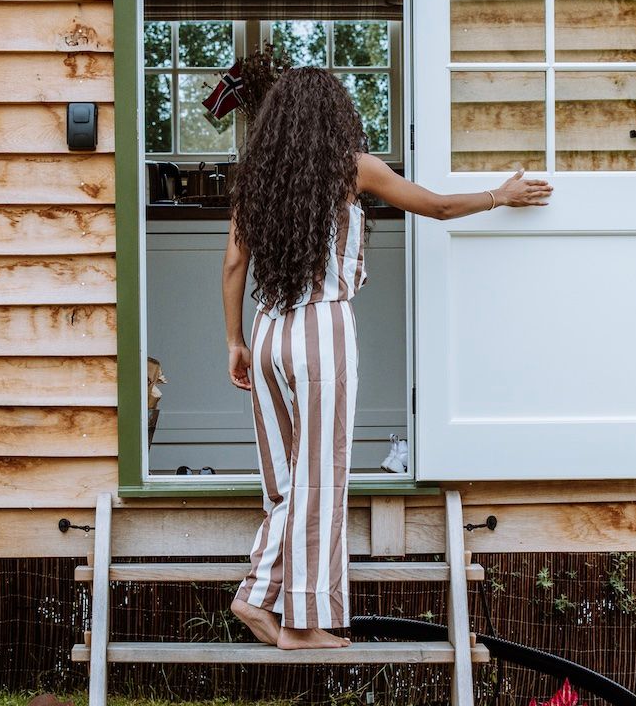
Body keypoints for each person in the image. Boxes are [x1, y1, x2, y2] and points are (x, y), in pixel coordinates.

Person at [221, 67, 550, 649]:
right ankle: (297, 622)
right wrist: (499, 195)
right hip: (321, 328)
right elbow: (437, 207)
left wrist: (235, 341)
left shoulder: (256, 177)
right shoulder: (352, 167)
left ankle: (259, 592)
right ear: (334, 116)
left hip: (267, 328)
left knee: (285, 480)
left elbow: (232, 265)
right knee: (319, 478)